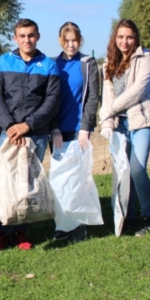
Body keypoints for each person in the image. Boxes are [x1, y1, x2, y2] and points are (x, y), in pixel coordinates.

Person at [0, 19, 60, 251]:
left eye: (31, 35)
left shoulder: (48, 65)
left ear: (37, 36)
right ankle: (1, 232)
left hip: (35, 133)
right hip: (7, 133)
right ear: (15, 37)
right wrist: (10, 126)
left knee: (28, 182)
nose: (27, 39)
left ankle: (20, 233)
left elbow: (52, 102)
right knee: (3, 181)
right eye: (22, 35)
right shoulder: (3, 61)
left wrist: (27, 126)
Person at [98, 19, 150, 237]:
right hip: (119, 124)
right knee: (123, 171)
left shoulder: (145, 58)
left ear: (136, 38)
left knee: (137, 168)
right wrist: (106, 121)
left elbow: (138, 91)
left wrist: (108, 110)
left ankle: (148, 215)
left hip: (140, 121)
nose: (125, 41)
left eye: (130, 37)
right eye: (121, 37)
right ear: (115, 38)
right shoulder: (108, 62)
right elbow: (108, 94)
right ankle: (128, 217)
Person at [50, 21, 100, 242]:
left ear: (80, 40)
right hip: (58, 132)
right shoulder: (52, 65)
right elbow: (49, 99)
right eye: (66, 40)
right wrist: (54, 128)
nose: (70, 45)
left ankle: (78, 226)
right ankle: (63, 225)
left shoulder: (88, 64)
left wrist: (85, 128)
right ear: (61, 41)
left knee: (78, 180)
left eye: (74, 40)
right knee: (60, 180)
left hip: (79, 131)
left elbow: (92, 98)